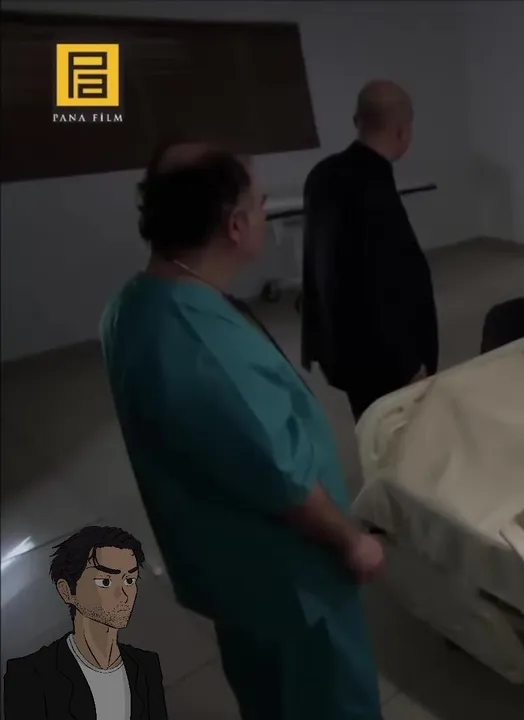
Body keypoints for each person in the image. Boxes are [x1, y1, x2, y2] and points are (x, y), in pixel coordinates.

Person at [100, 142, 386, 720]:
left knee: (268, 696)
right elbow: (282, 478)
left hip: (233, 574)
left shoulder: (133, 304)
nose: (263, 212)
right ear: (235, 225)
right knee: (325, 701)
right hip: (291, 584)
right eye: (259, 202)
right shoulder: (200, 342)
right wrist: (352, 541)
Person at [302, 79, 437, 419]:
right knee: (399, 434)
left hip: (344, 347)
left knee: (369, 426)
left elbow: (317, 264)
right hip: (385, 360)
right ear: (402, 130)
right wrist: (410, 364)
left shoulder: (322, 175)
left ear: (356, 121)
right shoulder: (373, 190)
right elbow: (384, 287)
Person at [4, 526, 168, 719]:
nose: (124, 594)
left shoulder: (147, 666)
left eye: (129, 580)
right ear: (67, 591)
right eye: (105, 582)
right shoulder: (29, 675)